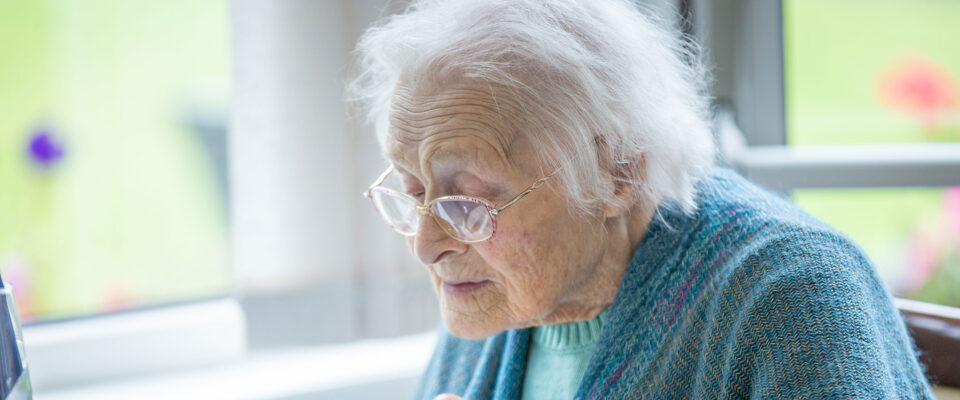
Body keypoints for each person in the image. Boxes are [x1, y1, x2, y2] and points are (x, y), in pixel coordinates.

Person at [350, 0, 935, 398]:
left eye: (469, 204)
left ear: (618, 174)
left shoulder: (794, 294)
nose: (426, 244)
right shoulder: (494, 291)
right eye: (413, 191)